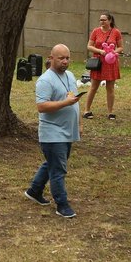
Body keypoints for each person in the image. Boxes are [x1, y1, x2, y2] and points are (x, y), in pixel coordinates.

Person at [24, 44, 82, 219]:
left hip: (67, 130)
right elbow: (42, 106)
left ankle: (34, 191)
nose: (65, 62)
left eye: (67, 58)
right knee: (58, 169)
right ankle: (62, 204)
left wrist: (79, 123)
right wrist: (66, 103)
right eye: (61, 58)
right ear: (51, 58)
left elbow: (76, 100)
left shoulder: (70, 76)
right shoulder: (45, 80)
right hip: (52, 133)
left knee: (53, 163)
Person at [83, 12, 124, 120]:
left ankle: (110, 112)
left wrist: (113, 52)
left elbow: (120, 47)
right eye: (100, 20)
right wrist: (100, 51)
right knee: (93, 87)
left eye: (104, 20)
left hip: (111, 62)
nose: (102, 21)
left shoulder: (116, 32)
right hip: (98, 62)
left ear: (110, 20)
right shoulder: (95, 31)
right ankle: (87, 110)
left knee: (110, 88)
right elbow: (89, 46)